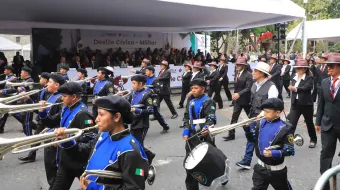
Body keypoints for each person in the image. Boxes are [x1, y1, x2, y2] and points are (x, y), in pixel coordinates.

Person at [54, 95, 149, 190]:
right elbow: (82, 154)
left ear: (116, 117)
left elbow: (134, 188)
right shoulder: (103, 135)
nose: (96, 119)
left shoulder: (129, 150)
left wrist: (95, 187)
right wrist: (67, 140)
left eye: (101, 114)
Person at [39, 82, 97, 190]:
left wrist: (65, 140)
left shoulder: (83, 113)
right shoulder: (66, 108)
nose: (62, 99)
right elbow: (51, 122)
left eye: (64, 96)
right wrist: (42, 112)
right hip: (66, 160)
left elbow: (90, 138)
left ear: (74, 97)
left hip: (80, 162)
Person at [236, 62, 278, 169]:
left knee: (264, 139)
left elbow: (272, 104)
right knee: (251, 137)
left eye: (255, 71)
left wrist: (263, 114)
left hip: (266, 118)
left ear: (262, 73)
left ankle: (267, 160)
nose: (253, 73)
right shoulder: (254, 85)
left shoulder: (271, 87)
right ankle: (247, 160)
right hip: (254, 115)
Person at [25, 74, 65, 186]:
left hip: (54, 135)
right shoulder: (51, 96)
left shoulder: (60, 98)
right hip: (48, 131)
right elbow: (45, 115)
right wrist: (36, 107)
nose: (47, 84)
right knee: (49, 164)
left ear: (57, 85)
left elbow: (57, 119)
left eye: (50, 82)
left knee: (53, 164)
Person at [249, 98, 295, 190]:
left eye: (267, 112)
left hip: (276, 170)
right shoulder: (261, 123)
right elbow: (253, 140)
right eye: (263, 111)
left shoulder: (285, 128)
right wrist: (247, 130)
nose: (264, 114)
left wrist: (273, 153)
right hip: (260, 167)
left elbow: (290, 150)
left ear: (277, 113)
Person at [182, 78, 217, 190]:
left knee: (210, 159)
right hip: (192, 135)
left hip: (204, 134)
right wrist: (186, 130)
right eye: (192, 88)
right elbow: (187, 117)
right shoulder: (191, 101)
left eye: (196, 88)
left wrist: (206, 127)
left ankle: (220, 174)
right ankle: (191, 187)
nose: (193, 90)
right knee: (190, 162)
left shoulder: (208, 101)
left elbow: (211, 118)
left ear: (203, 89)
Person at [315, 53, 340, 190]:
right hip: (327, 125)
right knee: (325, 155)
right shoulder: (325, 82)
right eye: (327, 65)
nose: (328, 68)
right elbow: (321, 104)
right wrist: (318, 122)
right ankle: (324, 186)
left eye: (331, 66)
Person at [123, 74, 156, 165]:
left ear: (141, 84)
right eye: (132, 83)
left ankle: (147, 157)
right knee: (135, 143)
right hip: (133, 121)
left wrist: (136, 110)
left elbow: (150, 110)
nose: (132, 85)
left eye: (134, 83)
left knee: (138, 144)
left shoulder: (146, 95)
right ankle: (147, 156)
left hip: (142, 124)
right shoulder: (133, 93)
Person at [288, 59, 317, 148]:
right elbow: (290, 85)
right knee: (291, 124)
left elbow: (307, 88)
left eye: (301, 68)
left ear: (305, 69)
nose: (299, 70)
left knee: (309, 123)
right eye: (297, 68)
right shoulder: (294, 76)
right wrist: (290, 87)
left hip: (306, 104)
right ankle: (289, 143)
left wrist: (295, 89)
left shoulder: (309, 77)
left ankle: (313, 139)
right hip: (295, 103)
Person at [223, 56, 253, 141]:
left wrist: (239, 94)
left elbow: (248, 88)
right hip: (237, 100)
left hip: (246, 100)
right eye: (237, 64)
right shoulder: (237, 73)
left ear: (244, 65)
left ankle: (255, 132)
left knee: (251, 117)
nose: (237, 66)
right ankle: (231, 135)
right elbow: (237, 87)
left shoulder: (249, 75)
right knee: (234, 118)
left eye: (239, 65)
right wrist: (234, 96)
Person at [145, 66, 170, 134]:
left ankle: (165, 126)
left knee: (156, 113)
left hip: (154, 97)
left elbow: (157, 90)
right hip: (146, 98)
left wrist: (149, 91)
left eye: (147, 71)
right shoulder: (145, 78)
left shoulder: (156, 79)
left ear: (151, 71)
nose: (145, 72)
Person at [0, 65, 17, 133]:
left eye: (5, 70)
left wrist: (2, 91)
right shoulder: (8, 77)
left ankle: (31, 125)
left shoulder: (13, 78)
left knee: (6, 113)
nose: (4, 71)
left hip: (11, 97)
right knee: (5, 113)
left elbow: (13, 89)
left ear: (9, 70)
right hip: (7, 97)